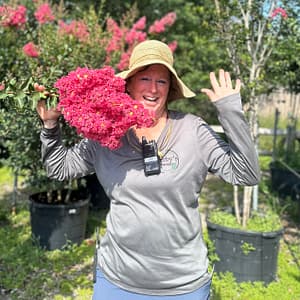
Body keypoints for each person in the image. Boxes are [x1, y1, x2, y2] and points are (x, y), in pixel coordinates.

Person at [36, 40, 260, 299]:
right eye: (144, 78)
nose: (153, 89)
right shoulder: (106, 132)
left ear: (170, 88)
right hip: (117, 281)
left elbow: (246, 173)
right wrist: (51, 126)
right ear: (128, 85)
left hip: (183, 285)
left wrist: (230, 111)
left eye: (162, 81)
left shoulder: (192, 130)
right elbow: (60, 168)